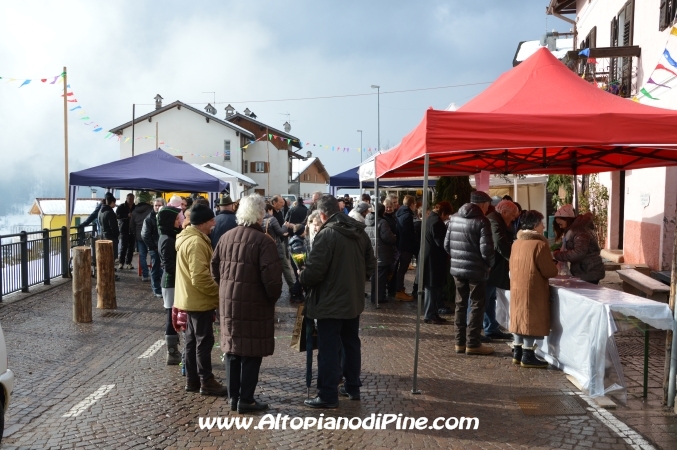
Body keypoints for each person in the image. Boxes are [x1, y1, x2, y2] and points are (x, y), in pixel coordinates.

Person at [300, 195, 376, 408]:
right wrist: (356, 280)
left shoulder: (328, 234)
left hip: (330, 303)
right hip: (352, 300)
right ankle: (352, 387)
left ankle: (327, 394)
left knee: (329, 349)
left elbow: (314, 272)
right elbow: (371, 264)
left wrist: (302, 277)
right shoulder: (358, 231)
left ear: (323, 215)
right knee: (351, 344)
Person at [211, 194, 282, 413]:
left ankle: (234, 398)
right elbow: (272, 280)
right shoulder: (263, 241)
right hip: (255, 303)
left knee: (232, 350)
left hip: (229, 303)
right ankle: (246, 399)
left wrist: (225, 289)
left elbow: (214, 268)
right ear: (260, 215)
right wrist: (271, 298)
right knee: (251, 351)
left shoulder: (226, 237)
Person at [174, 204, 228, 396]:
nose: (214, 224)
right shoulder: (196, 243)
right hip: (198, 299)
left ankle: (192, 380)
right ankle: (206, 381)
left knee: (191, 341)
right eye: (212, 220)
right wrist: (219, 293)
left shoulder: (189, 238)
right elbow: (200, 277)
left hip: (189, 297)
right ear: (203, 223)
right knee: (203, 341)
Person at [444, 191, 495, 355]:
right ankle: (473, 343)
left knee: (460, 305)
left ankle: (459, 343)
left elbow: (446, 245)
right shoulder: (482, 221)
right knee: (476, 305)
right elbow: (486, 250)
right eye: (487, 205)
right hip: (476, 270)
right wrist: (489, 264)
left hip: (457, 269)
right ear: (483, 204)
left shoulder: (454, 218)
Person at [509, 210, 558, 368]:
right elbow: (549, 271)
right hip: (533, 287)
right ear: (535, 225)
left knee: (519, 317)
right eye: (542, 223)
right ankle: (528, 355)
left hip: (517, 286)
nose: (544, 226)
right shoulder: (539, 244)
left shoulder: (517, 243)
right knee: (531, 318)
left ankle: (517, 351)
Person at [484, 200, 520, 340]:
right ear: (504, 212)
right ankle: (473, 334)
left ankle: (491, 327)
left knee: (490, 298)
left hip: (493, 266)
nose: (512, 219)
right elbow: (499, 242)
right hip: (491, 266)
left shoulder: (496, 220)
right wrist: (511, 257)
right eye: (511, 216)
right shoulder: (494, 221)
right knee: (483, 300)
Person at [553, 205, 605, 284]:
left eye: (560, 224)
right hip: (584, 270)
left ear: (567, 219)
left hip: (588, 271)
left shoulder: (580, 231)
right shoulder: (574, 230)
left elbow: (578, 253)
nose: (560, 227)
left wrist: (558, 254)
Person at [157, 204, 182, 364]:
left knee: (172, 314)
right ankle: (172, 352)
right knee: (170, 316)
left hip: (172, 280)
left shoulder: (170, 235)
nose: (179, 221)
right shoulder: (166, 239)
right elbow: (169, 266)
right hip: (170, 282)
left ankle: (173, 351)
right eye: (176, 219)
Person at [423, 202, 453, 324]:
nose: (447, 218)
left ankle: (432, 313)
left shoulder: (430, 219)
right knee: (432, 287)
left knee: (432, 288)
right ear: (443, 213)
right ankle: (430, 314)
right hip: (433, 260)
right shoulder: (436, 223)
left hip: (431, 258)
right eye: (447, 215)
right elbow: (441, 242)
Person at [365, 203, 397, 304]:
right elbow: (388, 238)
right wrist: (395, 237)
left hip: (372, 252)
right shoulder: (382, 222)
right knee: (381, 277)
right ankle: (378, 298)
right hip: (382, 253)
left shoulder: (367, 220)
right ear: (382, 212)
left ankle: (375, 296)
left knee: (375, 276)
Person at [270, 195, 297, 297]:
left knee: (283, 266)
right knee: (284, 266)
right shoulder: (271, 215)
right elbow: (277, 229)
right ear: (274, 203)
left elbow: (281, 226)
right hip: (276, 244)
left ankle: (290, 287)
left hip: (280, 241)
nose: (283, 204)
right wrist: (283, 231)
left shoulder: (279, 212)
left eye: (283, 202)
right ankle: (291, 287)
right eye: (281, 202)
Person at [141, 197, 166, 297]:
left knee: (161, 267)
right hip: (155, 248)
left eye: (159, 205)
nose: (157, 207)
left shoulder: (163, 216)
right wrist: (153, 247)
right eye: (155, 205)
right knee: (155, 267)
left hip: (162, 246)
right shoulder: (149, 219)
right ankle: (156, 289)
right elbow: (145, 235)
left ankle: (161, 287)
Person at [395, 195, 417, 301]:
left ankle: (399, 289)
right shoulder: (408, 216)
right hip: (406, 246)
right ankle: (399, 291)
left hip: (400, 245)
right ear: (412, 204)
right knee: (402, 269)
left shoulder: (399, 213)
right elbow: (408, 233)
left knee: (401, 269)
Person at [130, 191, 154, 281]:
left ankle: (145, 275)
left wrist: (135, 233)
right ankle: (154, 273)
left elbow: (131, 225)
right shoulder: (151, 209)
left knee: (142, 255)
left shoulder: (134, 211)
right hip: (149, 235)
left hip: (139, 236)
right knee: (152, 254)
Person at [382, 197, 399, 298]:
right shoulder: (385, 219)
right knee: (389, 270)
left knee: (393, 270)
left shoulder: (393, 217)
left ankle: (392, 289)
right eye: (387, 207)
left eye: (390, 207)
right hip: (388, 247)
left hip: (393, 247)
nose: (388, 208)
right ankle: (389, 290)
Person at [116, 193, 136, 269]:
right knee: (123, 246)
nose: (131, 200)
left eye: (132, 199)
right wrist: (126, 216)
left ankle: (128, 262)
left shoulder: (135, 207)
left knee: (131, 247)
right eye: (129, 199)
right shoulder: (121, 207)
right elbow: (117, 216)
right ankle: (121, 262)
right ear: (126, 199)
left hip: (132, 229)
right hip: (124, 229)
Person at [98, 193, 120, 263]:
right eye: (114, 203)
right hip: (110, 237)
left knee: (105, 255)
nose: (115, 205)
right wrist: (117, 234)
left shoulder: (100, 211)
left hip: (103, 235)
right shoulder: (110, 212)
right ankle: (110, 271)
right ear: (112, 202)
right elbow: (113, 226)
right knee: (111, 256)